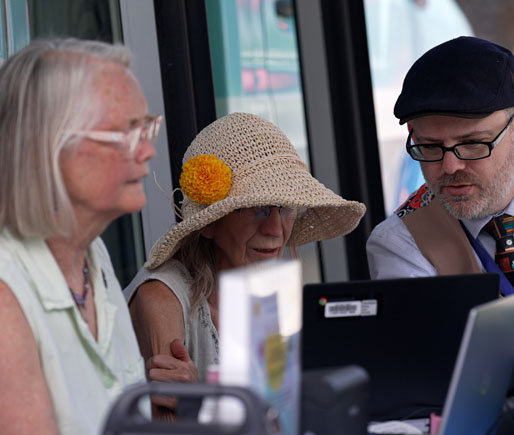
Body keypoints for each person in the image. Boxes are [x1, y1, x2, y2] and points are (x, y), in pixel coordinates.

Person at [367, 36, 514, 389]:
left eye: (473, 143)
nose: (450, 166)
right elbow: (420, 375)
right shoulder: (401, 242)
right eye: (430, 147)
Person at [125, 112, 366, 416]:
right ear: (209, 225)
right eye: (258, 209)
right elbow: (168, 428)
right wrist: (197, 402)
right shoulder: (162, 297)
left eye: (286, 208)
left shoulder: (266, 297)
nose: (276, 230)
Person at [0, 38, 160, 435]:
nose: (148, 150)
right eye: (127, 133)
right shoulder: (5, 288)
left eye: (147, 127)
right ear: (48, 147)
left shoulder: (92, 254)